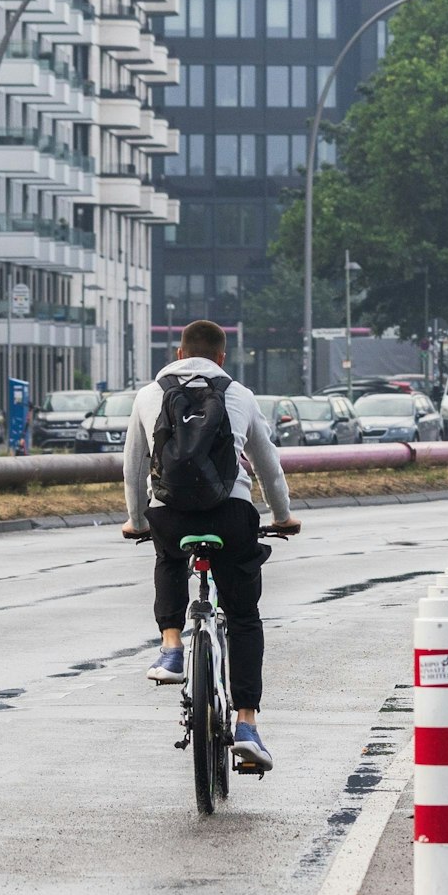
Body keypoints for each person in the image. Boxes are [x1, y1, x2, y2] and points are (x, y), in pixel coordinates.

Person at [122, 319, 300, 771]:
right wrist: (281, 516)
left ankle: (171, 646)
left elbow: (133, 464)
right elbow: (267, 465)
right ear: (222, 358)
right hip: (231, 512)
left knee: (167, 556)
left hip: (169, 511)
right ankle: (246, 723)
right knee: (243, 616)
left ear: (179, 354)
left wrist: (137, 519)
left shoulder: (149, 395)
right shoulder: (238, 394)